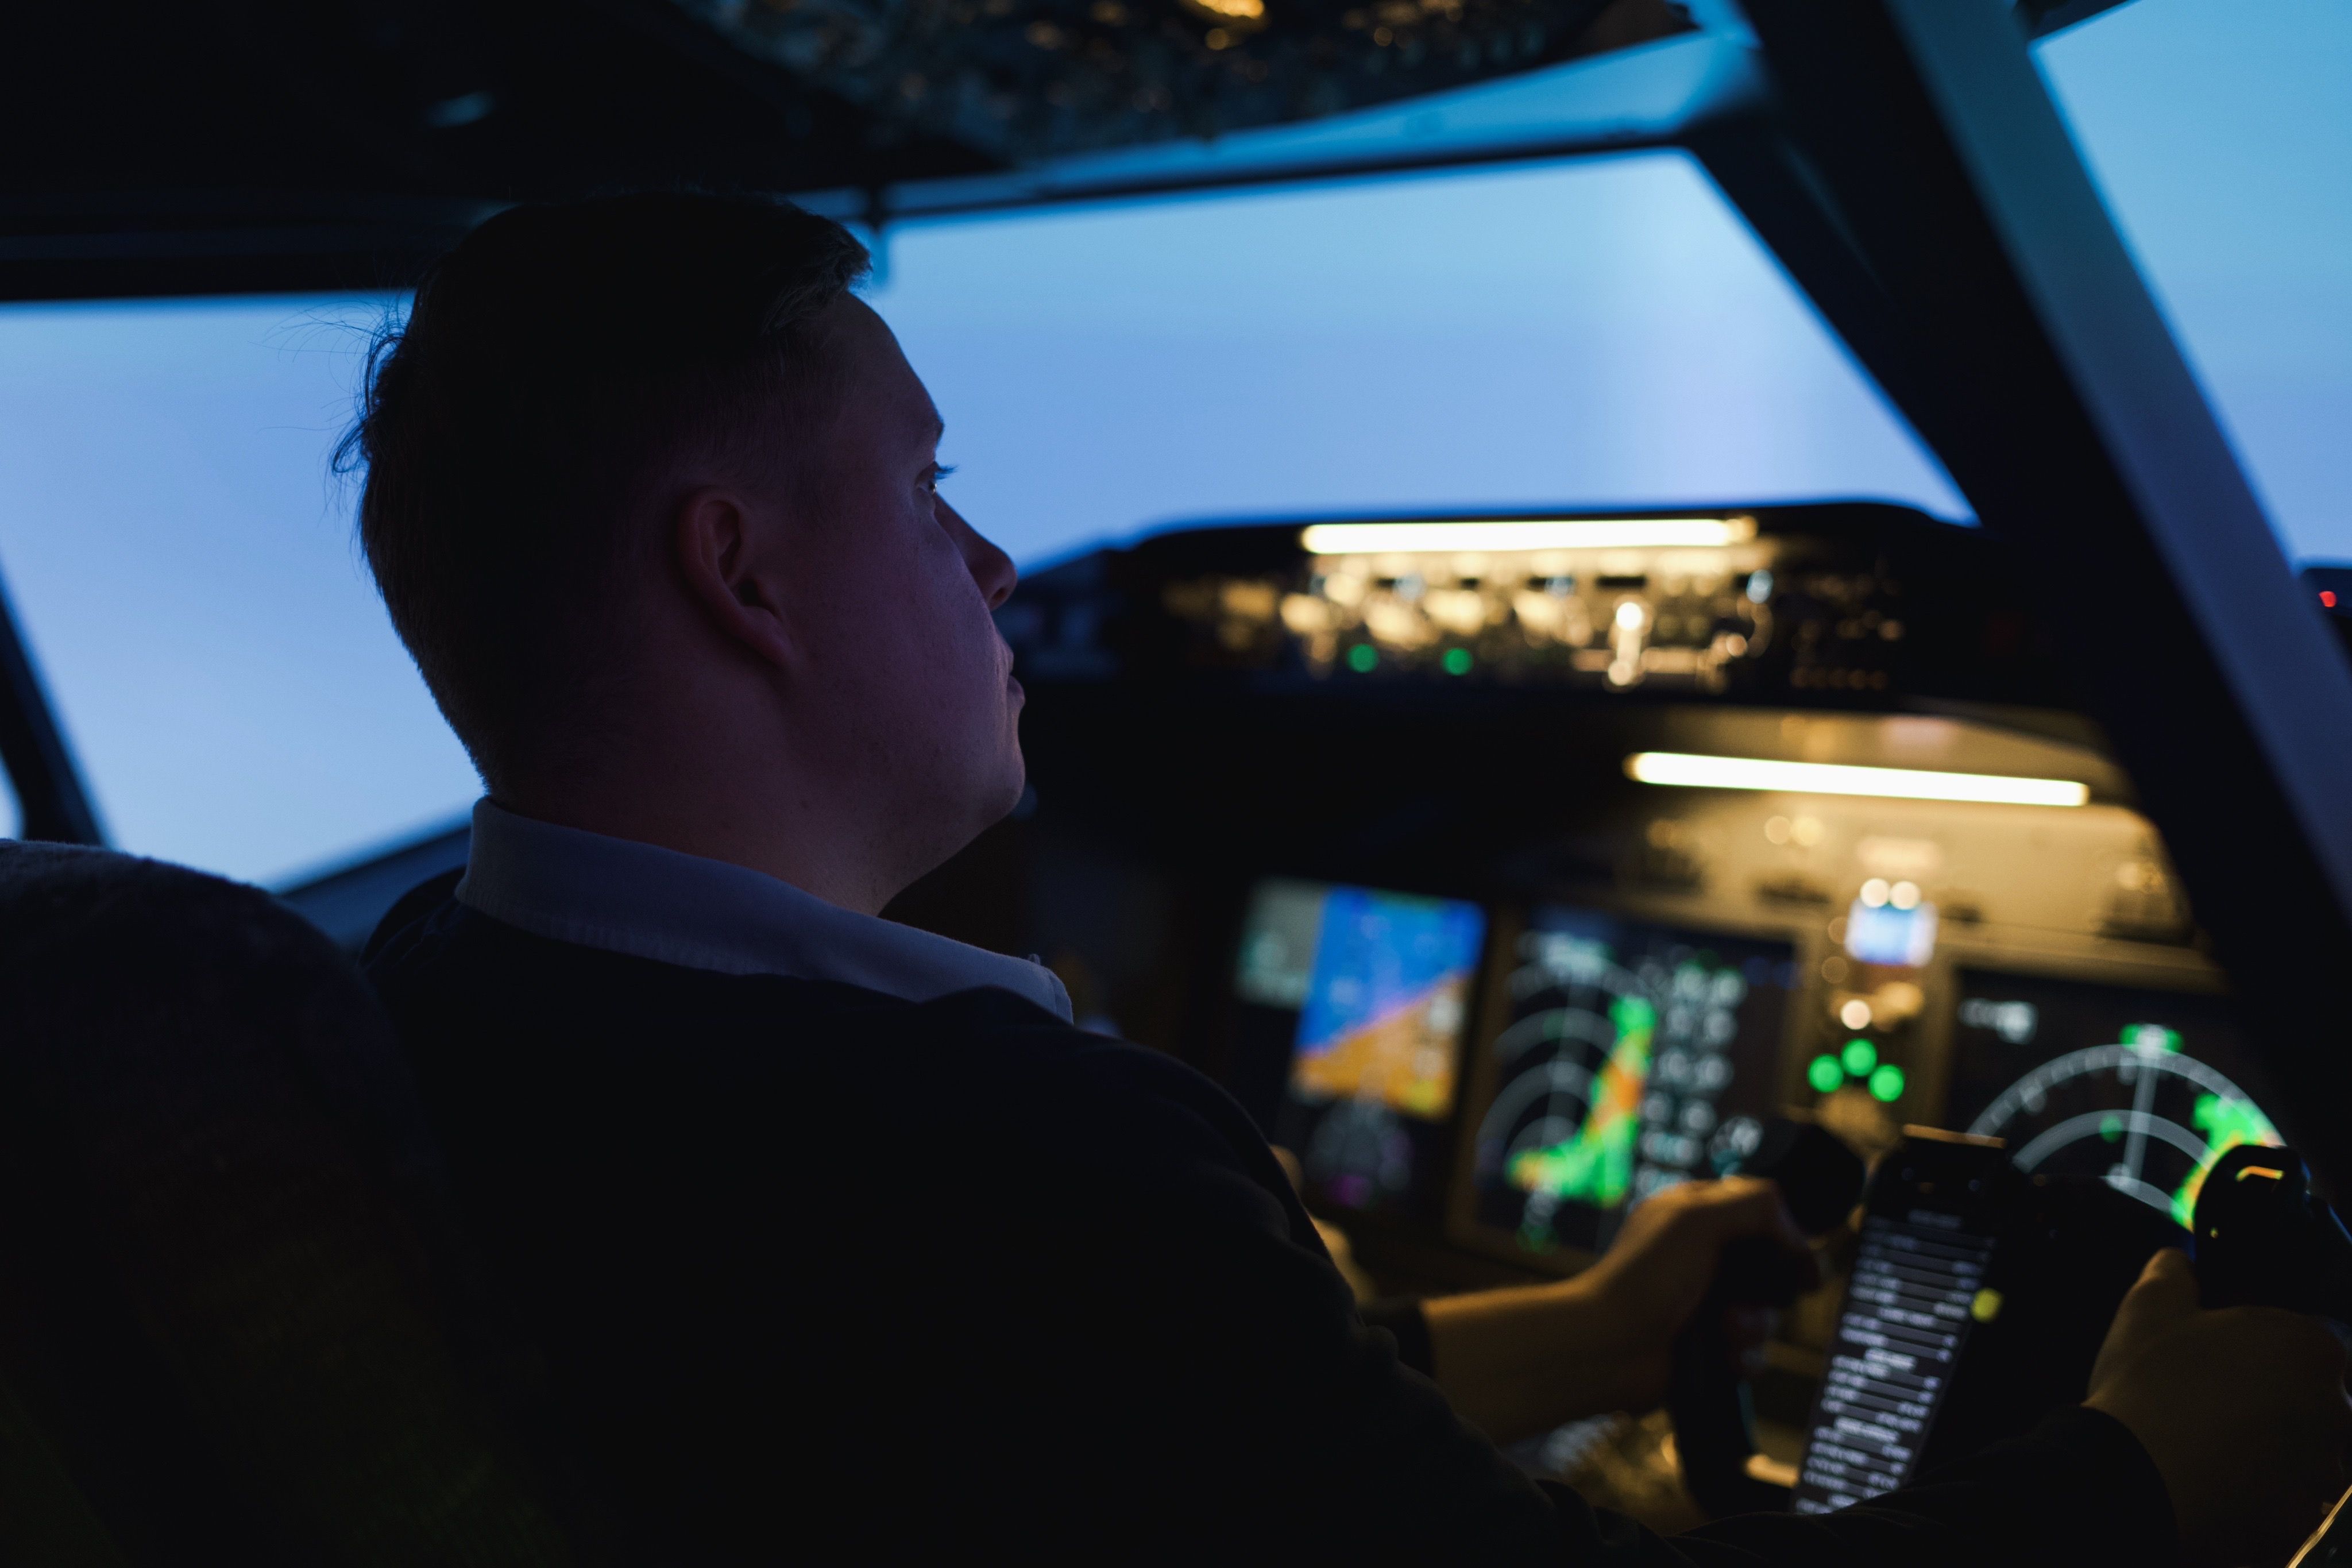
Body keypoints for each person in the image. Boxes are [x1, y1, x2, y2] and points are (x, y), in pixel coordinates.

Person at [352, 192, 2349, 1564]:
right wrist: (2149, 1477)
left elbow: (1159, 1443)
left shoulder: (435, 1012)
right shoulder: (1003, 1152)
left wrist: (1582, 1327)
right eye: (929, 488)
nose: (986, 569)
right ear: (743, 572)